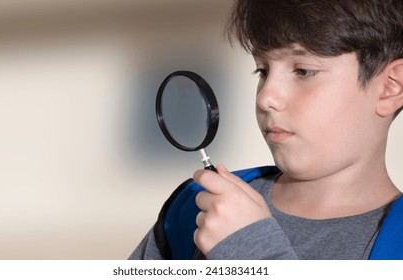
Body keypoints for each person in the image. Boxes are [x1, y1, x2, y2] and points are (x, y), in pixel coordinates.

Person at [129, 0, 403, 260]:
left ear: (391, 87)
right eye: (262, 71)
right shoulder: (195, 208)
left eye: (303, 71)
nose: (265, 97)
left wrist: (251, 251)